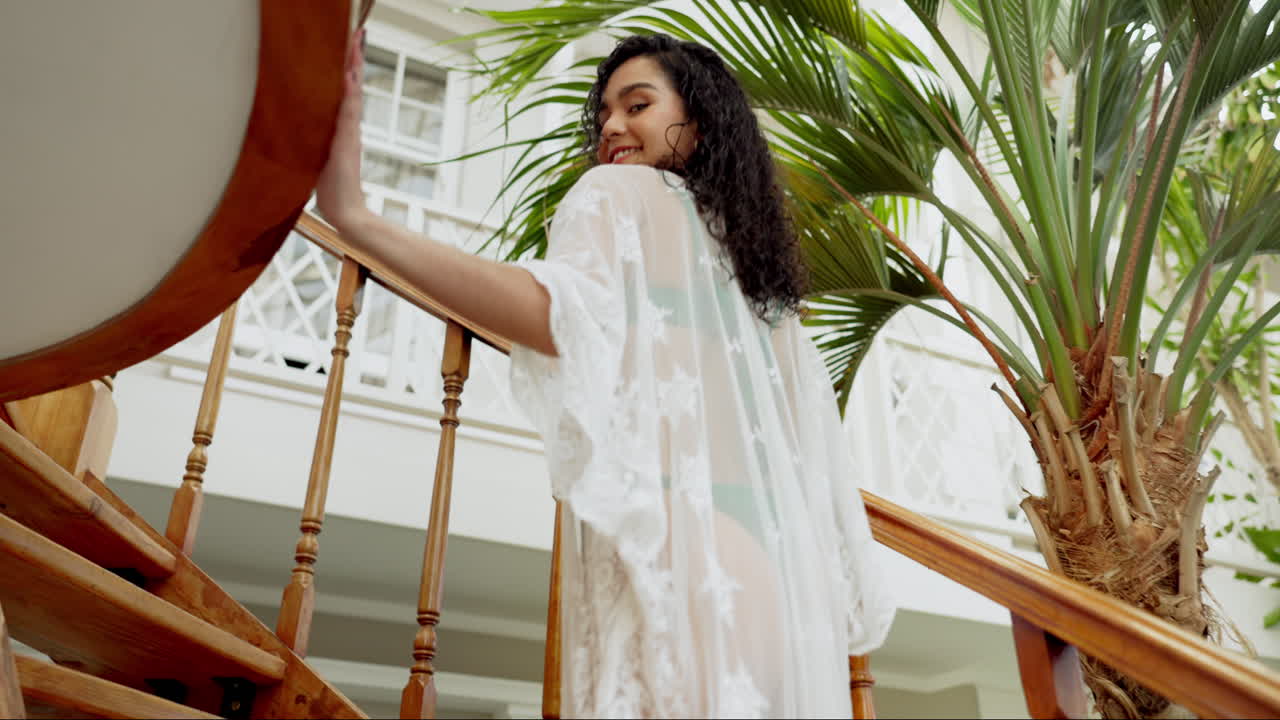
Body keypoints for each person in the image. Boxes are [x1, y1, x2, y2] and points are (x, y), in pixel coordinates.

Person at [316, 30, 894, 719]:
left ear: (700, 122)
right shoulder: (760, 284)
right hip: (778, 588)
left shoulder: (619, 194)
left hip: (679, 560)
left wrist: (354, 217)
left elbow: (553, 310)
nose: (613, 126)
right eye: (604, 115)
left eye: (638, 104)